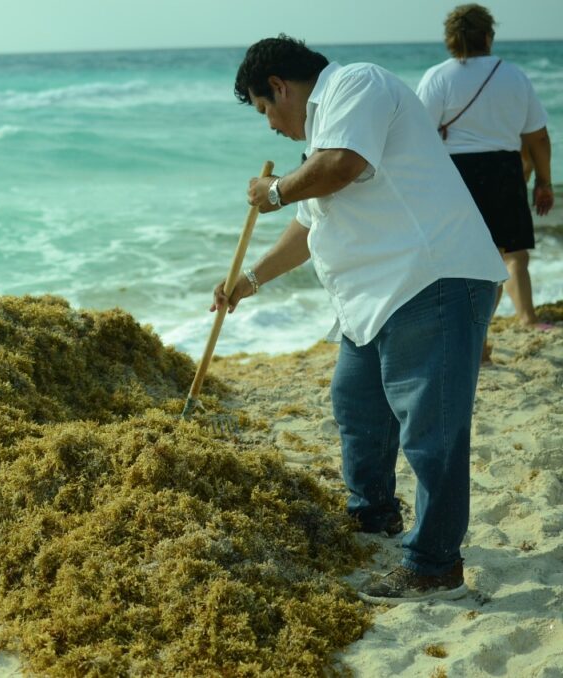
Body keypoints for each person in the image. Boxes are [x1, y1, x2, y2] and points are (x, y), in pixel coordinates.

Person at [217, 35, 507, 604]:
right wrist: (245, 283)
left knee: (432, 434)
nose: (271, 126)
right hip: (373, 300)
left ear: (279, 87)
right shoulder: (323, 139)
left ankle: (434, 567)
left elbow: (342, 168)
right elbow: (308, 229)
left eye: (264, 111)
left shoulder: (356, 85)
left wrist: (272, 190)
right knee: (355, 406)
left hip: (431, 277)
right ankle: (373, 516)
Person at [416, 3, 554, 335]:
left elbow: (418, 134)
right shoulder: (514, 75)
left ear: (450, 38)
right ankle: (527, 319)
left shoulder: (438, 76)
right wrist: (544, 182)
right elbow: (538, 137)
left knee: (464, 259)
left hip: (454, 173)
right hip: (506, 171)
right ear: (488, 36)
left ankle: (473, 334)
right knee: (511, 252)